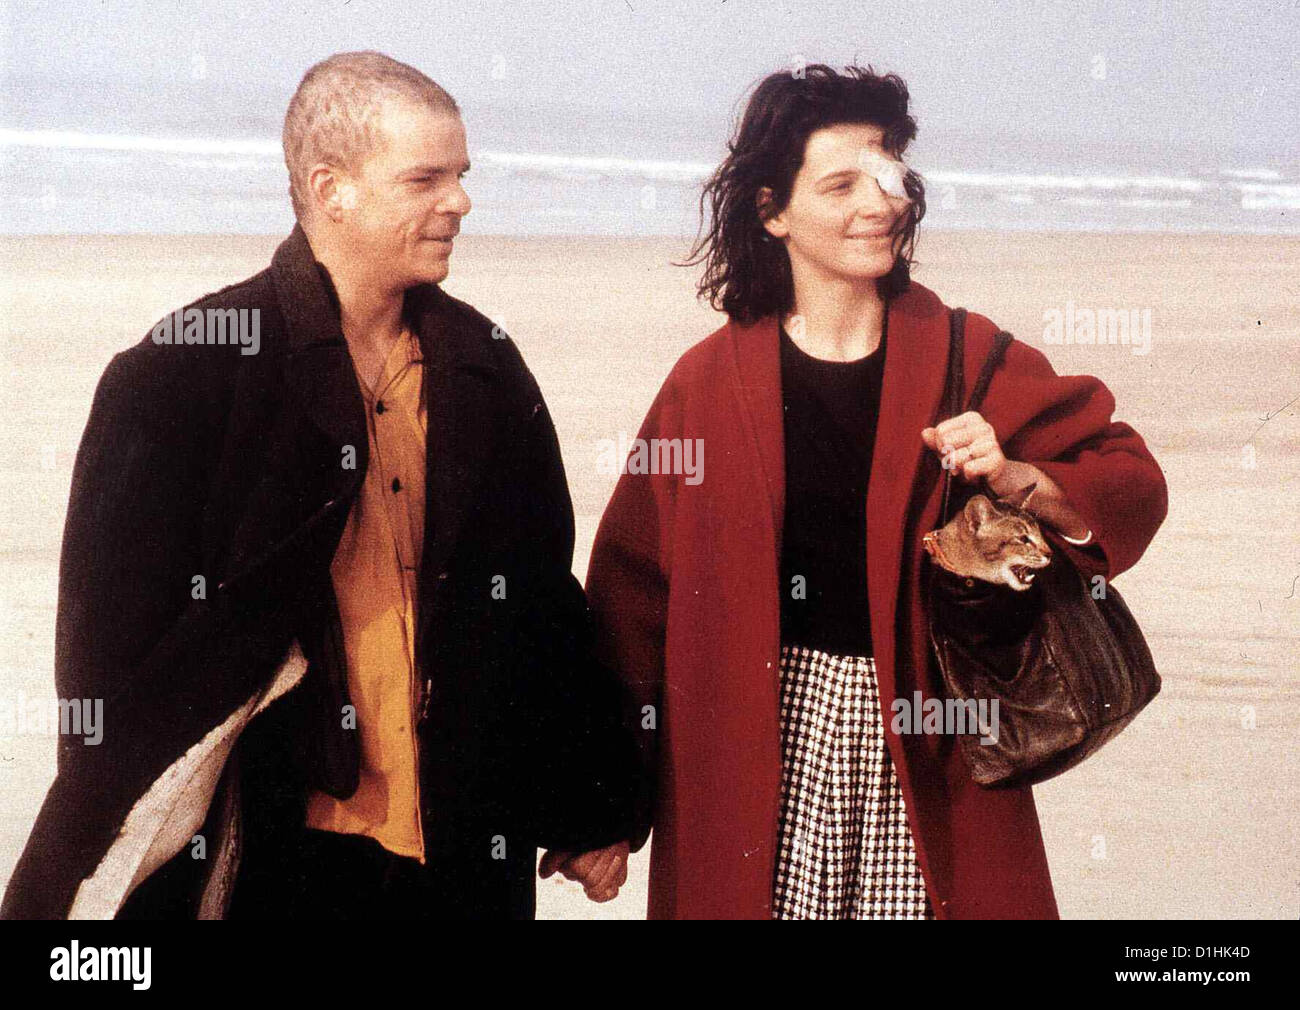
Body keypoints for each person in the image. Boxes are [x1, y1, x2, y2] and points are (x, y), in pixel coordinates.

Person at [1, 51, 635, 920]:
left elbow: (540, 600)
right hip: (274, 856)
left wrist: (591, 799)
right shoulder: (181, 374)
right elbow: (104, 666)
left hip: (459, 849)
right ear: (330, 189)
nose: (460, 201)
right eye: (426, 178)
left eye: (461, 176)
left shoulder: (485, 367)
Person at [584, 64, 1168, 919]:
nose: (880, 201)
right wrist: (605, 804)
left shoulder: (972, 355)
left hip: (931, 749)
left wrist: (1013, 476)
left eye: (890, 172)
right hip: (754, 746)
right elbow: (630, 596)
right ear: (771, 210)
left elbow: (1130, 481)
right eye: (841, 183)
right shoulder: (704, 386)